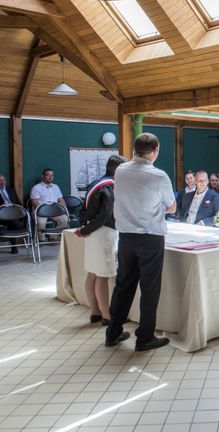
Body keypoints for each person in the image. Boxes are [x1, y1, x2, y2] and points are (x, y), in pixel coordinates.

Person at [106, 133, 176, 352]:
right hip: (150, 237)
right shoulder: (158, 175)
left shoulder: (121, 170)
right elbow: (172, 207)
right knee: (149, 288)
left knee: (123, 285)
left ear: (135, 150)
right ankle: (145, 337)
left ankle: (113, 332)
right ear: (155, 150)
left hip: (126, 237)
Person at [75, 155, 126, 326]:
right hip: (103, 233)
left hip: (92, 233)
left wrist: (84, 229)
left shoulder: (95, 183)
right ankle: (107, 316)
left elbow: (82, 210)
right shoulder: (110, 187)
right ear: (117, 170)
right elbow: (105, 216)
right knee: (102, 277)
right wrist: (84, 231)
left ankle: (95, 312)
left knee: (92, 274)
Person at [30, 168, 69, 241]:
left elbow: (61, 199)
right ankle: (41, 239)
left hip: (54, 211)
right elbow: (35, 202)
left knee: (65, 218)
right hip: (40, 211)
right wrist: (45, 210)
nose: (50, 177)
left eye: (52, 175)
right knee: (41, 222)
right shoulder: (36, 187)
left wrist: (64, 209)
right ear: (43, 176)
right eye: (48, 175)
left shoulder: (56, 187)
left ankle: (53, 236)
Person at [0, 174, 24, 254]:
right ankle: (14, 245)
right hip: (2, 215)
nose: (2, 182)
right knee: (13, 221)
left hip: (14, 212)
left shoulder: (11, 190)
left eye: (3, 180)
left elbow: (18, 203)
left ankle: (25, 234)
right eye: (0, 180)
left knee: (25, 216)